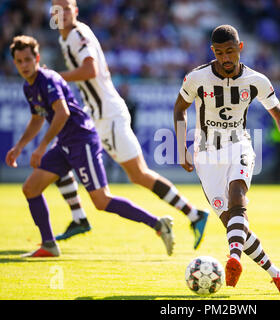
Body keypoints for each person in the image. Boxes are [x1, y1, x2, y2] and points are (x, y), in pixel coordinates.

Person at [50, 0, 209, 248]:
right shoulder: (66, 37)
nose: (62, 13)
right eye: (57, 9)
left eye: (67, 8)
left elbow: (90, 69)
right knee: (63, 154)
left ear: (75, 11)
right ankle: (79, 217)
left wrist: (55, 76)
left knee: (138, 174)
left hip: (107, 117)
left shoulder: (77, 34)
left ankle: (194, 214)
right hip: (97, 114)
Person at [5, 35, 174, 257]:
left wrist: (41, 146)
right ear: (14, 63)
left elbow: (63, 113)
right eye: (19, 61)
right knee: (30, 188)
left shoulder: (47, 79)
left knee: (101, 201)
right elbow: (38, 118)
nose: (24, 65)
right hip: (65, 144)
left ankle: (159, 224)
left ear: (37, 58)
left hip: (82, 140)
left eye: (28, 59)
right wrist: (19, 147)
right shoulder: (30, 87)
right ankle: (49, 244)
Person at [173, 25, 280, 294]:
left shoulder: (257, 80)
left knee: (239, 196)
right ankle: (277, 274)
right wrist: (181, 148)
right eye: (220, 52)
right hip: (207, 155)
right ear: (213, 52)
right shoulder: (196, 78)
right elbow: (180, 109)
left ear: (240, 48)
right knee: (234, 225)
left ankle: (234, 258)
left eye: (230, 51)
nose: (226, 58)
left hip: (239, 146)